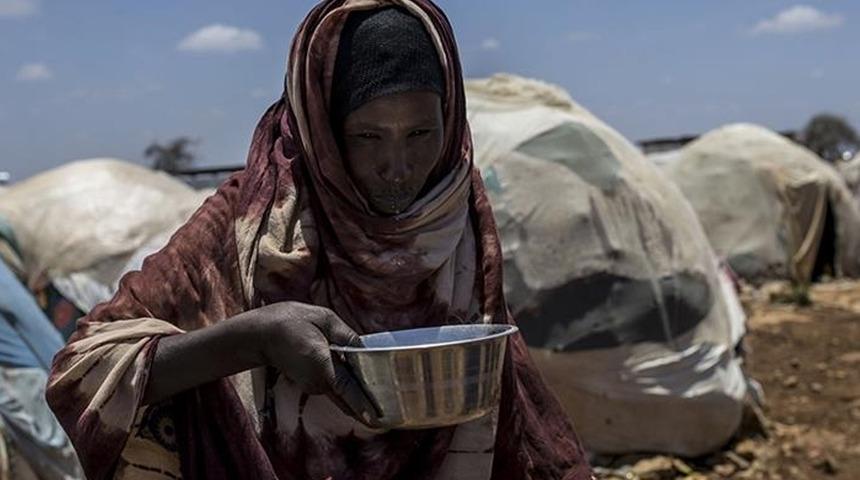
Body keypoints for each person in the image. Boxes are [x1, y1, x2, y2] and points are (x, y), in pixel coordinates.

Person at [47, 1, 593, 479]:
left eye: (421, 133)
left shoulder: (455, 209)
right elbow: (83, 369)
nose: (398, 166)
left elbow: (510, 402)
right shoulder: (249, 221)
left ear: (450, 124)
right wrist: (252, 339)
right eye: (367, 136)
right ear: (324, 132)